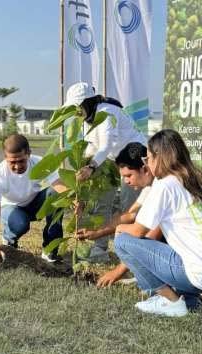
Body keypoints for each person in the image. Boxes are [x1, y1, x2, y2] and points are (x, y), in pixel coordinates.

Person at [113, 129, 202, 318]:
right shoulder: (200, 182)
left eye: (148, 158)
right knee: (180, 249)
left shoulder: (165, 185)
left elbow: (139, 232)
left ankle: (170, 301)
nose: (147, 163)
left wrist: (118, 227)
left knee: (123, 241)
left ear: (159, 158)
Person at [62, 82, 147, 263]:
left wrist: (91, 167)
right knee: (101, 200)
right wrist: (82, 166)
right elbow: (92, 147)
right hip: (110, 160)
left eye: (77, 107)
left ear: (87, 102)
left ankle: (132, 254)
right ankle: (99, 249)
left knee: (128, 205)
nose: (75, 112)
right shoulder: (87, 119)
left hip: (134, 159)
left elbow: (106, 144)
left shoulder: (106, 112)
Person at [75, 142, 159, 287]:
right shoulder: (151, 185)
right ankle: (145, 275)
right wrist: (96, 232)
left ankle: (156, 283)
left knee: (123, 237)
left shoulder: (161, 188)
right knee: (124, 232)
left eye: (129, 176)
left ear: (144, 168)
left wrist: (118, 271)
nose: (126, 181)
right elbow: (130, 214)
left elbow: (148, 234)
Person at [0, 134, 71, 271]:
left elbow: (59, 185)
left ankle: (50, 250)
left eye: (21, 161)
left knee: (55, 194)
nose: (17, 166)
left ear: (29, 154)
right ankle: (9, 240)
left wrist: (75, 201)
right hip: (11, 207)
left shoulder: (39, 163)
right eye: (12, 162)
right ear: (5, 158)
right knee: (21, 223)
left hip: (34, 203)